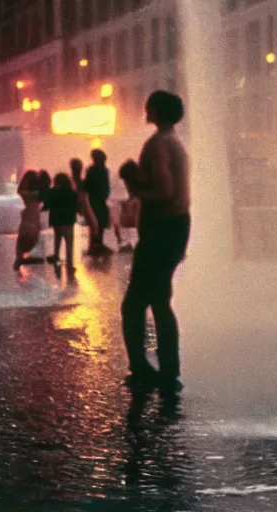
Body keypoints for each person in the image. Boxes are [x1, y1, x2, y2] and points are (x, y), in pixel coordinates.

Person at [121, 90, 191, 393]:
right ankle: (169, 370)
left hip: (161, 228)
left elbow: (165, 191)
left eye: (148, 104)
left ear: (156, 111)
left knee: (134, 304)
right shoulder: (175, 142)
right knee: (161, 301)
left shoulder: (159, 145)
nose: (144, 108)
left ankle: (141, 368)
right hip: (175, 227)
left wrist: (136, 189)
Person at [46, 173, 78, 273]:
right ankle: (70, 264)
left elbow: (47, 205)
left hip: (57, 221)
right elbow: (75, 206)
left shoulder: (53, 192)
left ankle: (56, 257)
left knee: (57, 239)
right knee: (69, 243)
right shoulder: (71, 192)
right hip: (68, 221)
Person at [84, 149, 112, 255]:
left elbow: (87, 186)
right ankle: (98, 243)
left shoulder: (92, 171)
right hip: (99, 200)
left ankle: (94, 244)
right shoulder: (103, 171)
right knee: (100, 223)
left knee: (94, 223)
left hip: (95, 200)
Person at [14, 170, 43, 271]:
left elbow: (20, 190)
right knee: (31, 239)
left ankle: (19, 259)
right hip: (35, 220)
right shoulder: (38, 195)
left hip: (27, 221)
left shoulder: (26, 194)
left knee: (21, 241)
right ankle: (23, 259)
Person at [70, 158, 99, 257]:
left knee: (92, 225)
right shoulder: (78, 182)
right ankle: (91, 246)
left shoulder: (76, 181)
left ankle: (90, 246)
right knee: (93, 225)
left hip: (79, 203)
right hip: (81, 203)